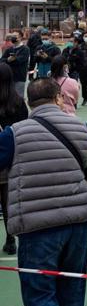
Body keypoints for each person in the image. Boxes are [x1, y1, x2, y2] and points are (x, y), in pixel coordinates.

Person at [0, 77, 87, 306]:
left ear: (29, 103)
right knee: (72, 292)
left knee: (38, 296)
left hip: (38, 226)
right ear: (59, 98)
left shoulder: (13, 134)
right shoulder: (82, 128)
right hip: (78, 222)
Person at [0, 62, 29, 255]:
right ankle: (11, 238)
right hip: (12, 158)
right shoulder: (18, 102)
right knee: (9, 201)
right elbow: (24, 129)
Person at [3, 32, 30, 98]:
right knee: (8, 97)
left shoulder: (25, 49)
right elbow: (2, 60)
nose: (13, 38)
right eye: (12, 36)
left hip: (19, 77)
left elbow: (19, 61)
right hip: (9, 77)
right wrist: (7, 60)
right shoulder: (9, 49)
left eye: (15, 36)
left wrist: (11, 60)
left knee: (18, 97)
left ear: (20, 37)